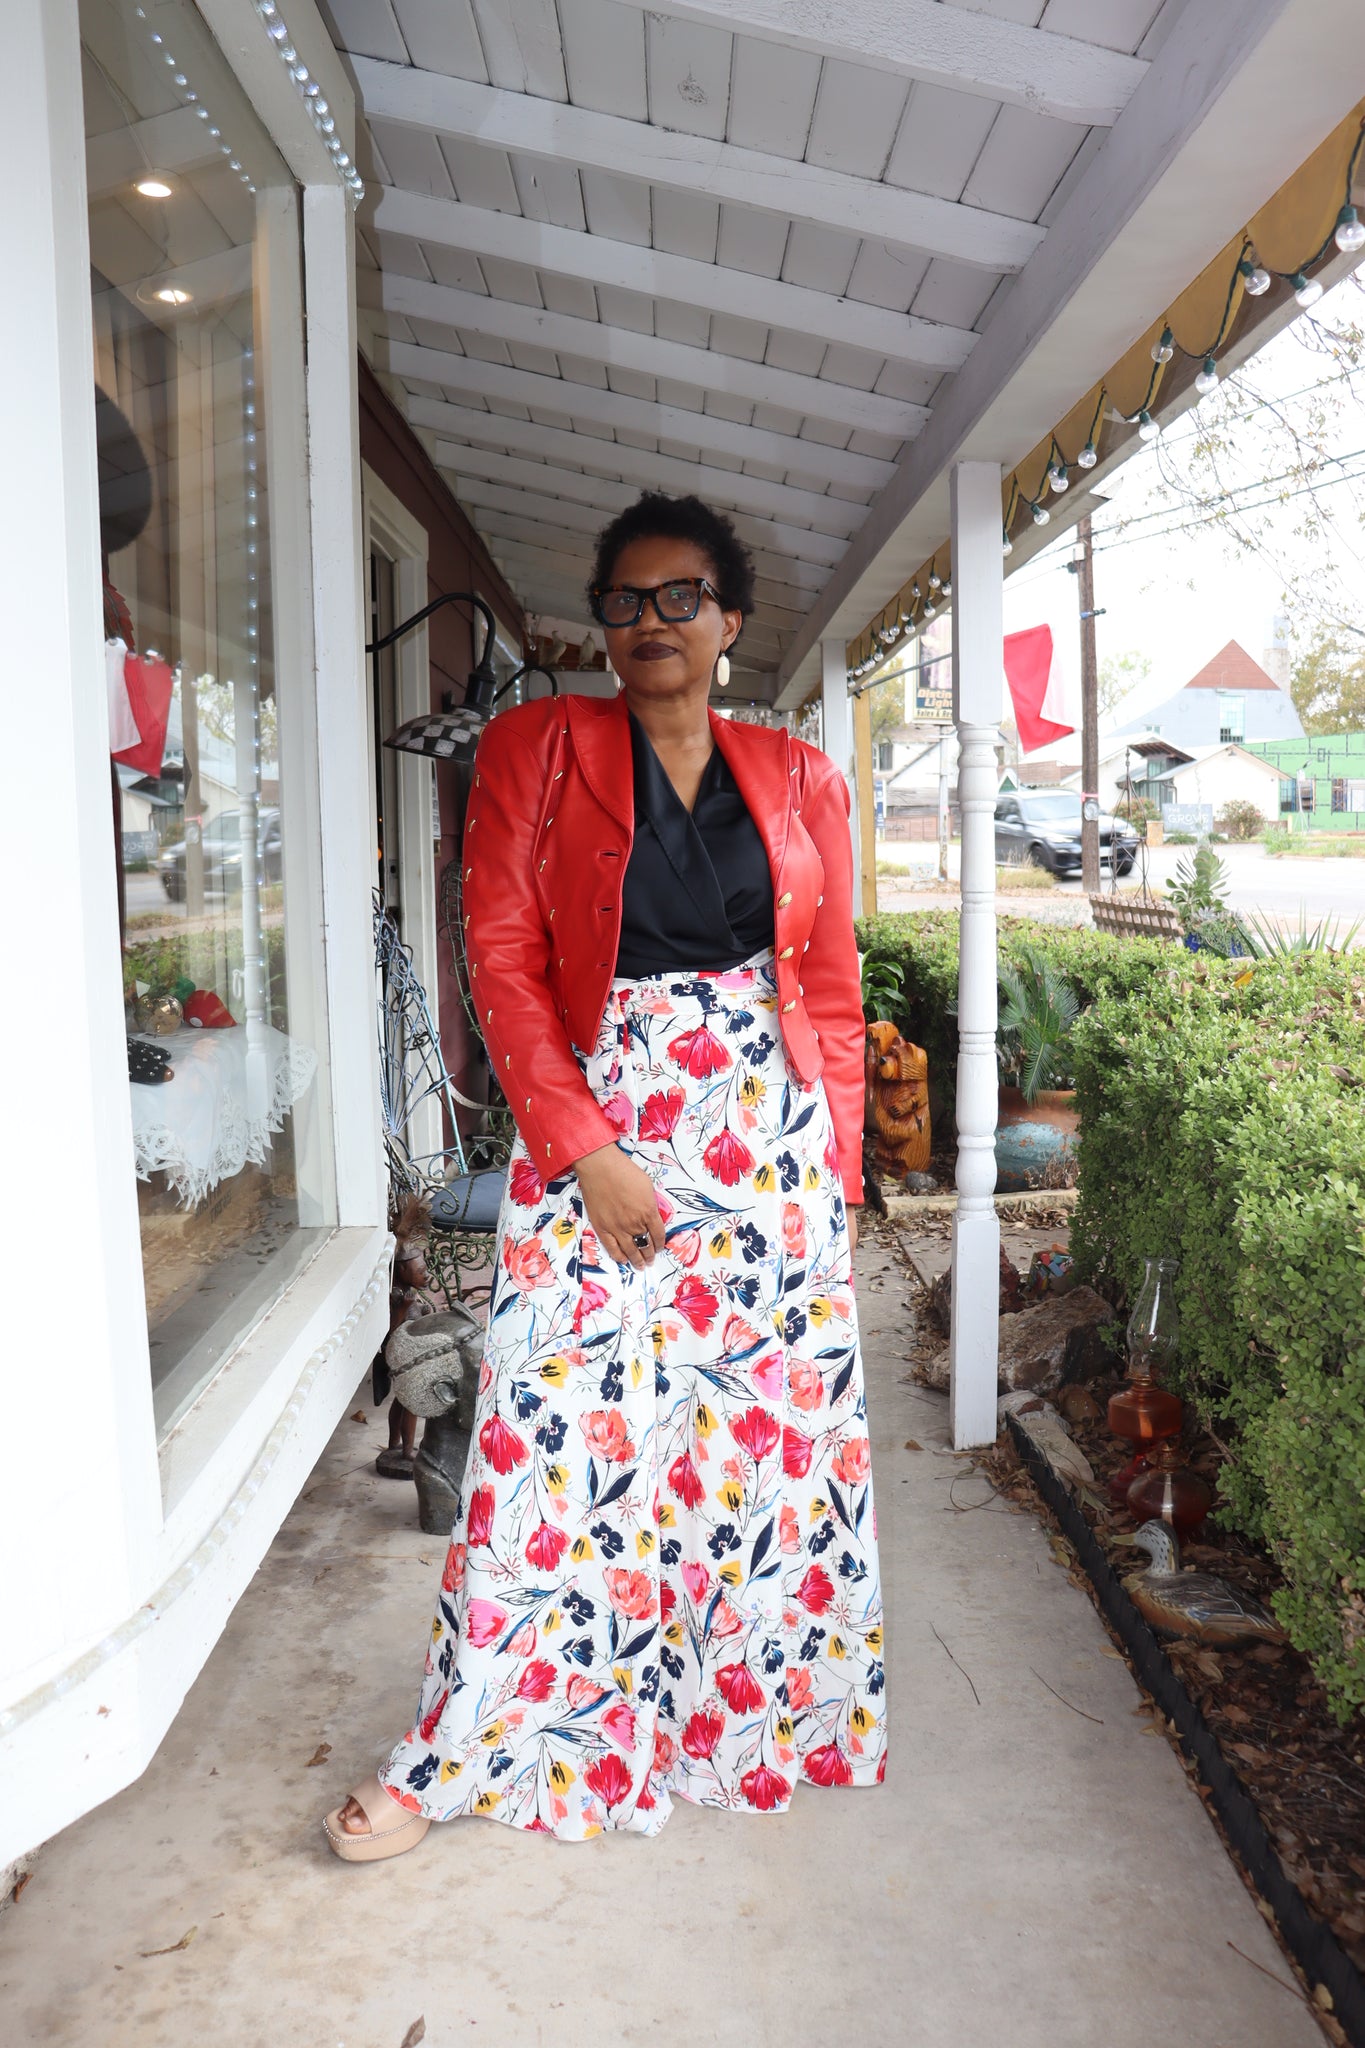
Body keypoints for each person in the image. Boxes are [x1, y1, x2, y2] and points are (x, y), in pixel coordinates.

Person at [325, 491, 886, 1857]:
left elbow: (827, 982)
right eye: (626, 602)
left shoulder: (802, 775)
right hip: (601, 1122)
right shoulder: (539, 746)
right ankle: (468, 1745)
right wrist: (587, 1154)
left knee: (752, 1451)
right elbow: (503, 961)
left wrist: (835, 1175)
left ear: (727, 620)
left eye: (680, 597)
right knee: (554, 1438)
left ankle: (740, 1723)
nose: (651, 621)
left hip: (767, 1146)